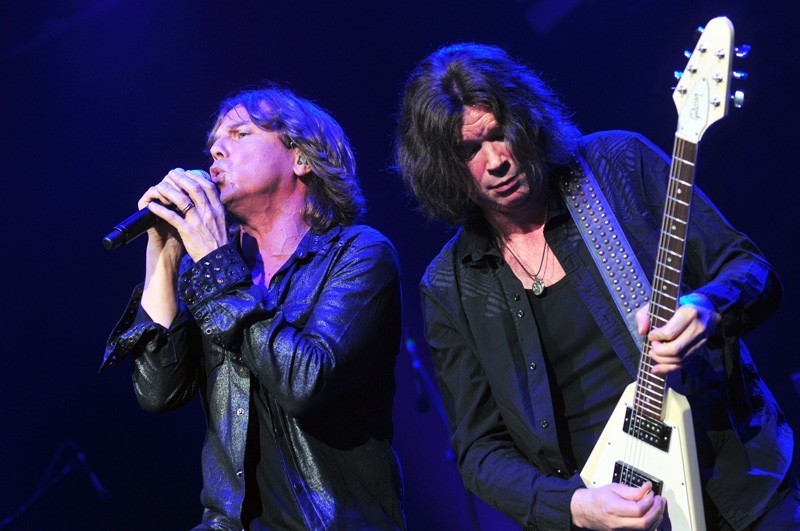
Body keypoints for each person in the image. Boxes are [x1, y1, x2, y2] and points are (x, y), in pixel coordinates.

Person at [394, 43, 799, 529]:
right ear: (442, 167)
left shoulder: (618, 165)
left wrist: (708, 307)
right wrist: (574, 506)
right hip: (612, 517)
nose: (496, 160)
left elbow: (750, 269)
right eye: (468, 151)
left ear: (526, 120)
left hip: (740, 487)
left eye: (500, 134)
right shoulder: (449, 286)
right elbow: (480, 452)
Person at [102, 85, 406, 530]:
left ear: (301, 158)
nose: (215, 151)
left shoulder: (359, 254)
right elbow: (158, 393)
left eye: (240, 134)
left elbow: (306, 382)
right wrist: (163, 256)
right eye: (213, 144)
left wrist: (215, 262)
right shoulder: (214, 270)